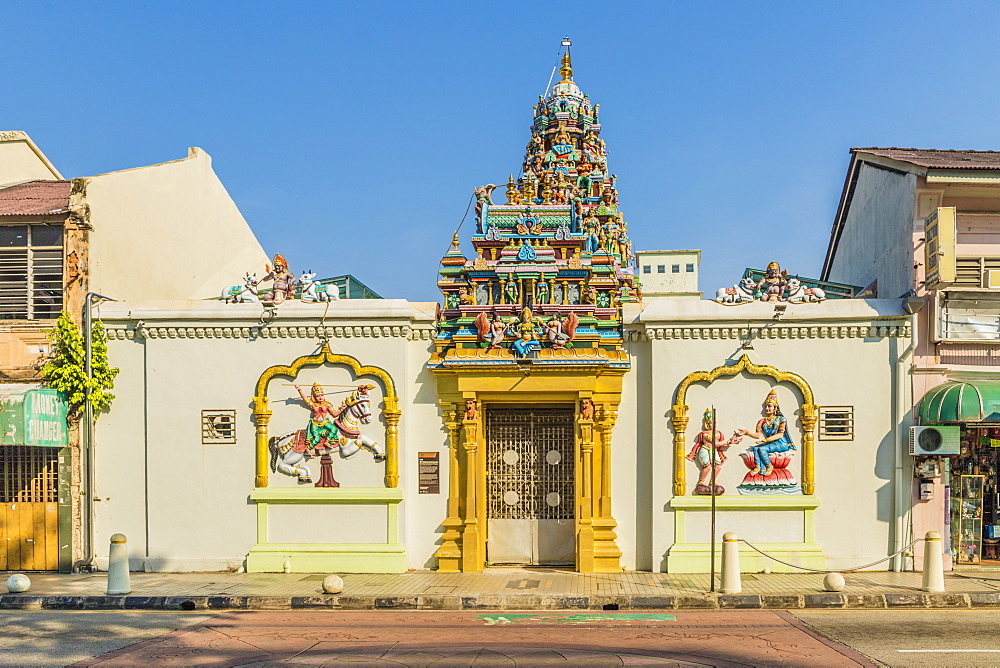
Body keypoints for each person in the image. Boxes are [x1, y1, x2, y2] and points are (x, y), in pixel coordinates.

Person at [736, 390, 796, 476]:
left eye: (769, 406)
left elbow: (780, 434)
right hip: (770, 443)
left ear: (775, 408)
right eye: (766, 406)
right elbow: (757, 435)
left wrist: (765, 440)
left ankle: (769, 466)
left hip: (781, 443)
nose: (767, 408)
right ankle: (758, 467)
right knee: (756, 448)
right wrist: (747, 432)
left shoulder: (781, 419)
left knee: (762, 449)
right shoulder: (762, 421)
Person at [687, 409, 735, 495]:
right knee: (708, 467)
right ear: (707, 424)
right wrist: (727, 442)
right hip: (705, 450)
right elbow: (715, 443)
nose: (714, 425)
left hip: (713, 451)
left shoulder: (719, 434)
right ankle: (701, 482)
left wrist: (730, 442)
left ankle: (712, 481)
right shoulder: (705, 434)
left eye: (715, 423)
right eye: (712, 423)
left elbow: (720, 446)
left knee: (718, 467)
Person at [294, 382, 345, 452]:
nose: (320, 397)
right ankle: (308, 448)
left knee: (334, 429)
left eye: (322, 395)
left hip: (325, 422)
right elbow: (305, 399)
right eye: (317, 396)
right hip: (315, 423)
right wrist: (299, 390)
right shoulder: (313, 404)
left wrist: (341, 409)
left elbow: (334, 414)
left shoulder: (327, 404)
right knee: (316, 438)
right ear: (314, 397)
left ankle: (328, 441)